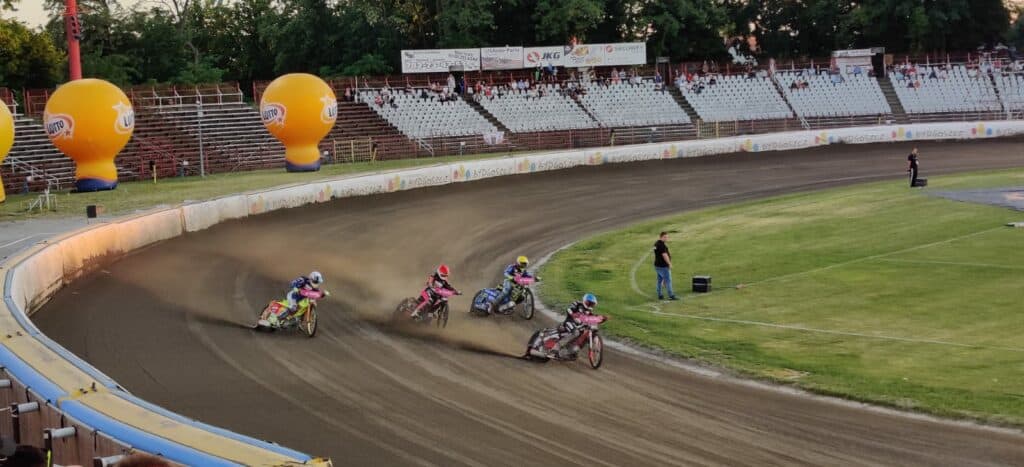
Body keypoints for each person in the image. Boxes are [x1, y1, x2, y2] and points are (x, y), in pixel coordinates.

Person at [260, 271, 325, 327]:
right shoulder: (303, 280)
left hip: (303, 300)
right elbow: (293, 282)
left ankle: (299, 321)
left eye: (318, 282)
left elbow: (316, 295)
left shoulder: (315, 289)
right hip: (293, 297)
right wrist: (295, 287)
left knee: (307, 306)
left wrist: (322, 294)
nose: (317, 284)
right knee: (293, 308)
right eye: (316, 282)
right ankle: (276, 319)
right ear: (311, 279)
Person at [654, 232, 677, 300]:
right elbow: (664, 255)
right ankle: (671, 295)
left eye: (667, 237)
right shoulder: (661, 245)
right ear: (661, 237)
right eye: (665, 237)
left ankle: (660, 295)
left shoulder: (656, 243)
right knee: (668, 280)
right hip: (663, 266)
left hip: (657, 265)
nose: (666, 238)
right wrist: (669, 263)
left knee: (659, 281)